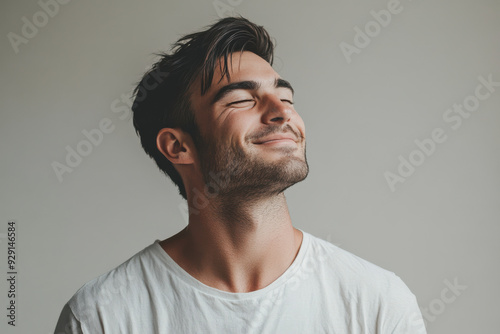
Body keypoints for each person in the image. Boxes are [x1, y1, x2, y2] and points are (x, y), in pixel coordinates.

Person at [54, 16, 427, 333]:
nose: (281, 112)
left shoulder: (378, 303)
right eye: (241, 100)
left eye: (287, 98)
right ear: (177, 147)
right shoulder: (103, 316)